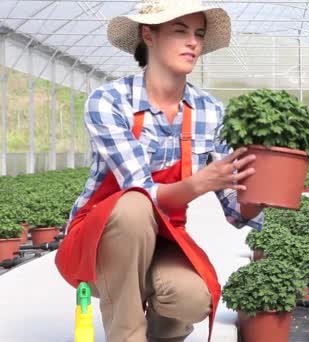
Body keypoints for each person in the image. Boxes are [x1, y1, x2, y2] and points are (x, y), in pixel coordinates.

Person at [54, 1, 264, 341]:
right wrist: (199, 183)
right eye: (180, 31)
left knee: (192, 298)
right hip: (99, 241)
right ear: (147, 35)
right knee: (134, 206)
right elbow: (142, 193)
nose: (193, 42)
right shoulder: (109, 101)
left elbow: (237, 209)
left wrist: (264, 186)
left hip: (164, 237)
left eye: (198, 34)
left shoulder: (210, 111)